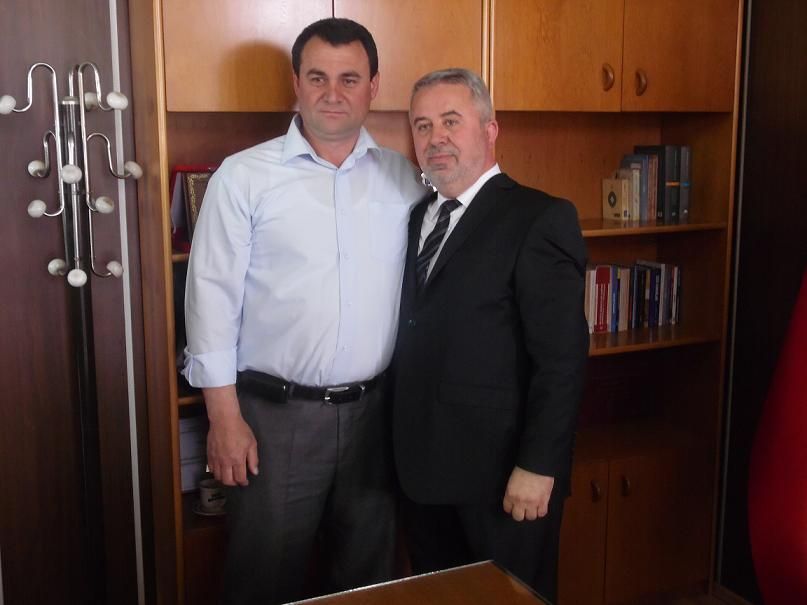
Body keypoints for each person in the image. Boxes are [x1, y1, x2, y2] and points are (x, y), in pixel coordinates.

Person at [182, 18, 425, 605]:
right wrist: (224, 419)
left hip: (376, 418)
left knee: (368, 582)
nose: (332, 93)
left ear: (373, 87)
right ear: (296, 83)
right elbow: (210, 300)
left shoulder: (404, 178)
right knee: (262, 579)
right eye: (318, 77)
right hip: (274, 420)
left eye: (349, 79)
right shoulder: (243, 177)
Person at [392, 68, 588, 602]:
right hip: (423, 474)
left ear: (489, 129)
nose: (436, 138)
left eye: (451, 121)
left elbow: (563, 361)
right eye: (423, 126)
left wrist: (538, 466)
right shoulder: (417, 218)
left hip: (503, 479)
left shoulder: (539, 218)